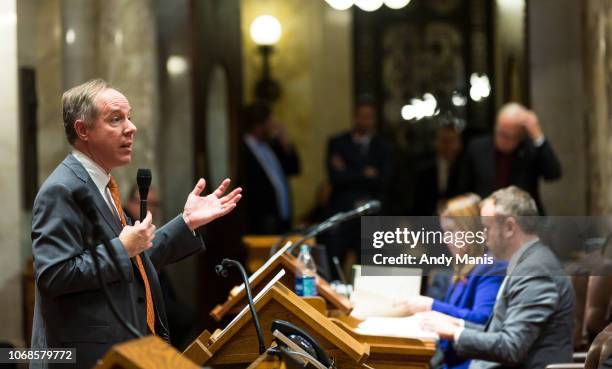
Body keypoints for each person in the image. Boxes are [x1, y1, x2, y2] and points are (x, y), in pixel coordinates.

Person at [30, 79, 242, 369]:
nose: (131, 128)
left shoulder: (103, 186)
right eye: (116, 119)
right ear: (83, 130)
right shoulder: (62, 189)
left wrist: (187, 222)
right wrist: (121, 247)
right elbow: (53, 275)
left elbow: (133, 262)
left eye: (129, 117)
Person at [419, 186, 575, 369]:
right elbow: (502, 333)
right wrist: (458, 323)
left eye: (486, 228)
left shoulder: (535, 270)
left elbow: (511, 347)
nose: (482, 237)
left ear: (509, 227)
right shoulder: (527, 262)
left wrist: (456, 333)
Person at [396, 194, 506, 369]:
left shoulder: (491, 266)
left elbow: (482, 320)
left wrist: (432, 306)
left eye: (452, 232)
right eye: (444, 232)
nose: (446, 240)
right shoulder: (462, 265)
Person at [325, 97, 391, 274]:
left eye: (369, 117)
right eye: (362, 116)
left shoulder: (382, 146)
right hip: (343, 213)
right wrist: (365, 172)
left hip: (370, 215)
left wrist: (349, 169)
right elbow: (336, 178)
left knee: (369, 268)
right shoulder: (338, 142)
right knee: (335, 265)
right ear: (354, 118)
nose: (365, 121)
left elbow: (383, 180)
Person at [124, 185, 196, 349]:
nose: (150, 210)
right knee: (182, 317)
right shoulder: (124, 224)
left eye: (155, 205)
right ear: (129, 202)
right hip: (134, 296)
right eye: (145, 203)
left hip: (157, 291)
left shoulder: (147, 227)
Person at [458, 103, 561, 213]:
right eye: (499, 132)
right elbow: (462, 187)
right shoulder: (477, 147)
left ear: (521, 135)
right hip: (486, 217)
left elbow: (553, 173)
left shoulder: (529, 149)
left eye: (507, 136)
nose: (500, 139)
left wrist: (537, 135)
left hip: (523, 219)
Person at [240, 103, 300, 234]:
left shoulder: (272, 145)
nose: (273, 126)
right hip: (261, 219)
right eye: (269, 121)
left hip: (281, 215)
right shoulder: (242, 149)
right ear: (258, 125)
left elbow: (294, 169)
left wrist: (286, 142)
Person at [413, 121, 465, 215]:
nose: (448, 146)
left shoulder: (465, 168)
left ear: (459, 144)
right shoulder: (423, 168)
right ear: (436, 142)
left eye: (451, 141)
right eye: (444, 141)